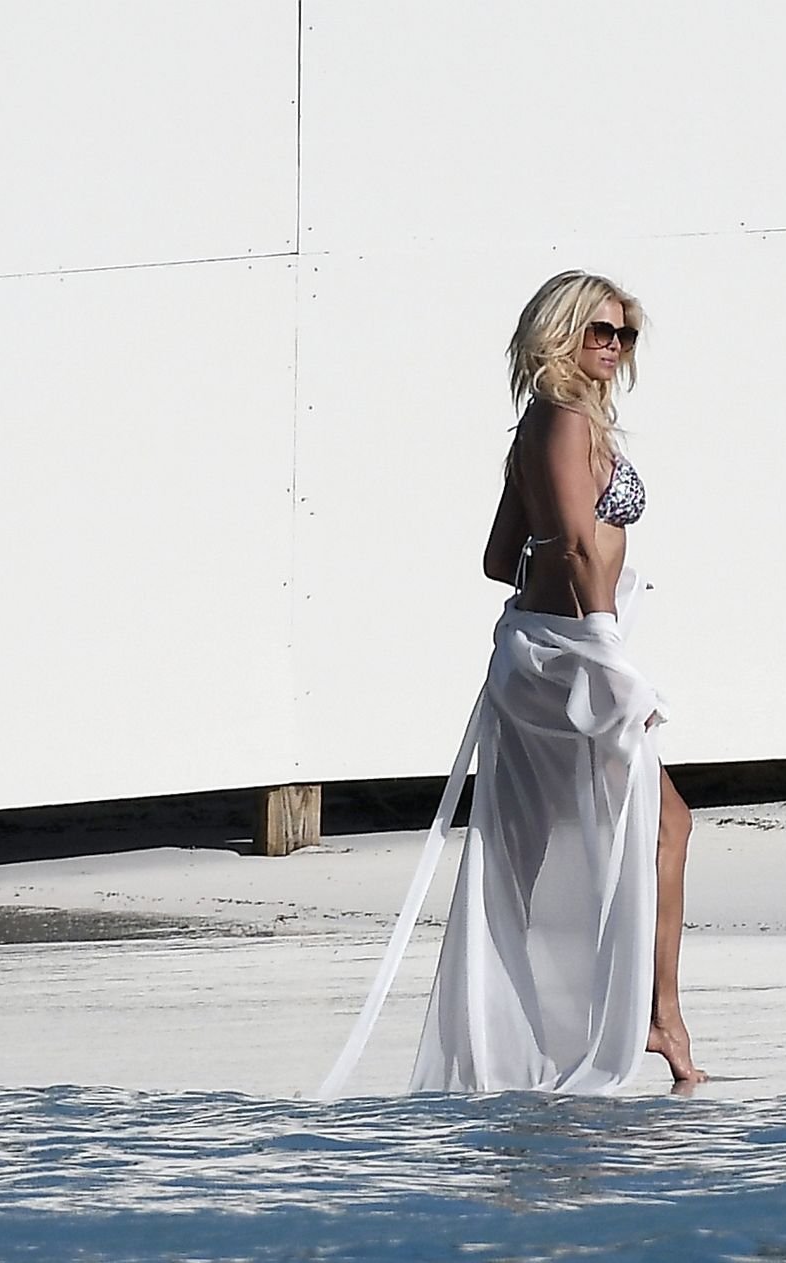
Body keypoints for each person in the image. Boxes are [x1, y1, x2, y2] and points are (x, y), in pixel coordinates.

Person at [316, 271, 703, 1097]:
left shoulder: (547, 422)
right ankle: (650, 1016)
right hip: (574, 653)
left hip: (547, 649)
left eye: (625, 334)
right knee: (652, 823)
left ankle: (553, 1020)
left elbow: (500, 557)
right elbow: (575, 544)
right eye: (600, 331)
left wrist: (570, 573)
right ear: (561, 333)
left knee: (553, 845)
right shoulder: (564, 420)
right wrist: (606, 645)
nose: (615, 346)